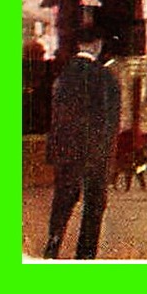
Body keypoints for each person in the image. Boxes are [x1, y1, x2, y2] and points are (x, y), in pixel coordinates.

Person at [44, 26, 120, 260]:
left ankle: (54, 240)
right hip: (95, 151)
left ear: (78, 45)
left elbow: (55, 114)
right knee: (94, 202)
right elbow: (111, 120)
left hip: (67, 148)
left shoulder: (63, 74)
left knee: (64, 196)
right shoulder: (106, 77)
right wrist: (109, 153)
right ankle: (85, 254)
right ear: (97, 45)